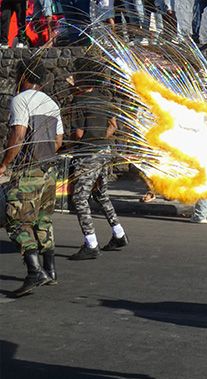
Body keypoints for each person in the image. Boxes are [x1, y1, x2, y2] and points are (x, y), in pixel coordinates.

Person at [0, 59, 64, 296]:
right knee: (43, 220)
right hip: (49, 169)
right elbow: (58, 142)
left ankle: (34, 272)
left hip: (29, 170)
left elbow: (18, 135)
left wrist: (5, 164)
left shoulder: (21, 100)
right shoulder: (52, 103)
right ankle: (50, 271)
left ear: (25, 77)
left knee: (15, 219)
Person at [67, 66, 129, 260]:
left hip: (88, 154)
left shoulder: (78, 101)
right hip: (105, 151)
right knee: (100, 194)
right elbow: (113, 126)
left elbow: (78, 134)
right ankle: (118, 233)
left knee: (79, 198)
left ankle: (91, 243)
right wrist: (101, 137)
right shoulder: (103, 98)